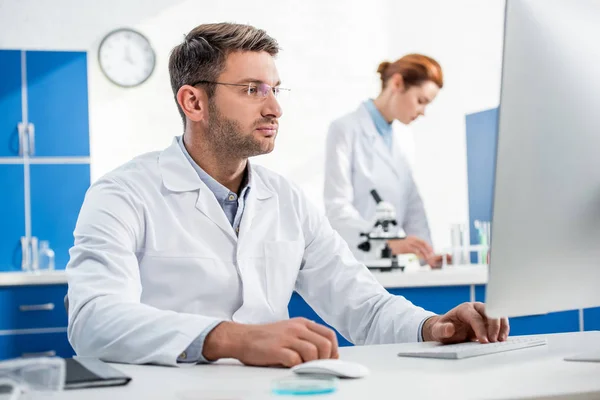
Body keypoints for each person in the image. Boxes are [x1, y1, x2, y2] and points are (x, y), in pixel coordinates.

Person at [66, 23, 509, 368]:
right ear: (193, 103)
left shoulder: (286, 200)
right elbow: (93, 319)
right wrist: (229, 338)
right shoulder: (123, 193)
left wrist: (433, 326)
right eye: (252, 90)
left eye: (275, 89)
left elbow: (363, 305)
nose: (275, 107)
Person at [324, 54, 449, 268]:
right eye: (420, 101)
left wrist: (427, 255)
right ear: (397, 83)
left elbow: (412, 206)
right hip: (355, 264)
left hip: (393, 268)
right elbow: (337, 208)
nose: (423, 112)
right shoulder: (345, 129)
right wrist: (385, 243)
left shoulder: (403, 139)